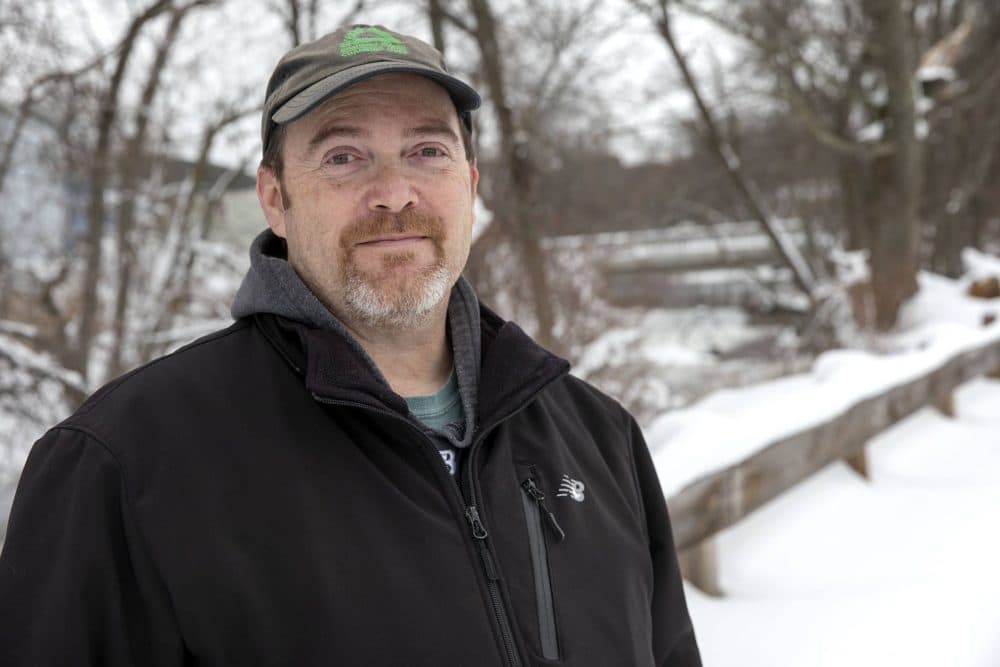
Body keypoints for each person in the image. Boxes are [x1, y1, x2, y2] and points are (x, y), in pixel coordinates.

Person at [0, 24, 701, 666]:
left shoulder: (598, 438)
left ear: (470, 184)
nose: (393, 193)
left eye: (426, 151)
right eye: (344, 156)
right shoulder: (125, 464)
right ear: (275, 198)